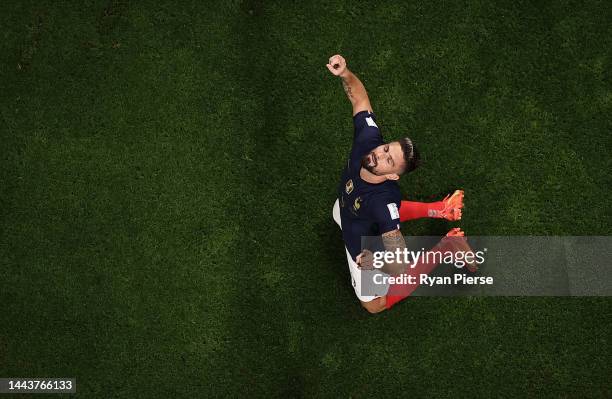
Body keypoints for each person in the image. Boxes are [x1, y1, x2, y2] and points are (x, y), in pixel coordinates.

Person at [327, 54, 473, 313]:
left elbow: (400, 265)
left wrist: (374, 263)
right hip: (347, 210)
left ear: (393, 175)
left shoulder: (384, 204)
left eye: (389, 161)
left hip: (363, 247)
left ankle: (446, 246)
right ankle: (440, 209)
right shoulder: (368, 140)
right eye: (386, 149)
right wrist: (345, 73)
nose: (379, 155)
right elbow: (360, 99)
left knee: (374, 305)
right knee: (340, 212)